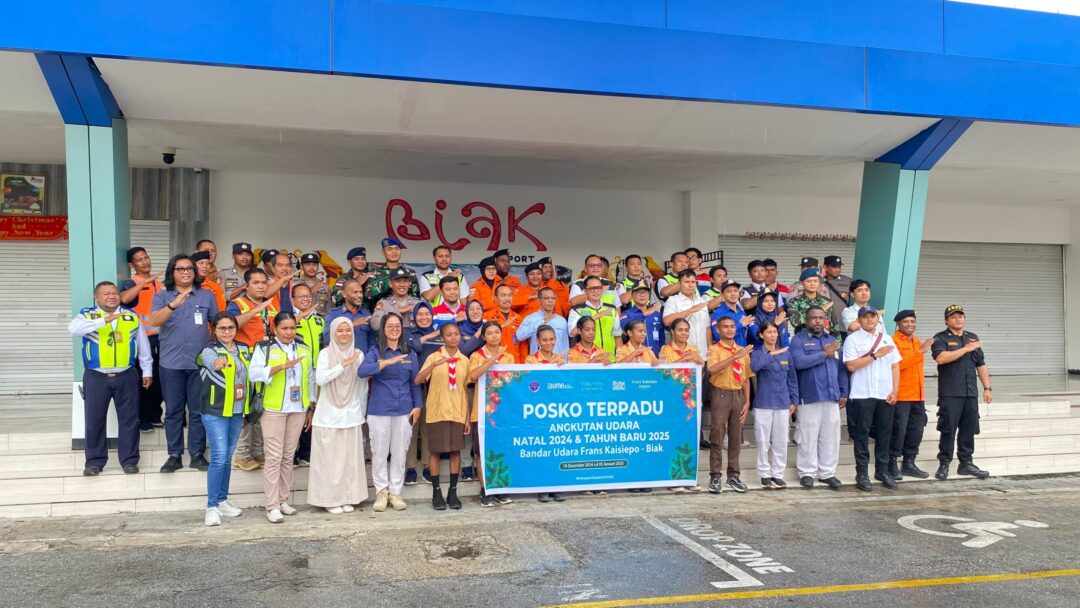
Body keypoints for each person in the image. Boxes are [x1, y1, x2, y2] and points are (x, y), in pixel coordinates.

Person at [68, 281, 153, 476]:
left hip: (127, 375)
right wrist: (103, 321)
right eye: (106, 294)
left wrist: (147, 371)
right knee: (94, 420)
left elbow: (143, 345)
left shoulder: (130, 316)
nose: (112, 296)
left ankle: (129, 461)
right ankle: (94, 462)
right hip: (96, 376)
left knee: (130, 420)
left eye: (114, 293)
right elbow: (73, 330)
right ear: (96, 297)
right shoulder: (87, 315)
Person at [150, 254, 219, 473]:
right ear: (173, 272)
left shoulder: (207, 296)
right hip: (171, 363)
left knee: (198, 411)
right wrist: (173, 304)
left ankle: (197, 454)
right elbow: (154, 321)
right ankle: (174, 455)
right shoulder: (162, 296)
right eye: (180, 269)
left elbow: (217, 326)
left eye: (189, 268)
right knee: (173, 411)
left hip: (199, 363)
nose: (186, 272)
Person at [248, 311, 315, 523]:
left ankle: (284, 500)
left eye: (292, 328)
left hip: (297, 407)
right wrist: (280, 367)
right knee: (274, 457)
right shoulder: (264, 348)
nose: (288, 332)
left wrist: (311, 406)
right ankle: (272, 505)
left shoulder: (303, 348)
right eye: (284, 328)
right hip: (274, 408)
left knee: (288, 456)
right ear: (275, 329)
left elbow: (310, 378)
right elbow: (253, 374)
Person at [359, 312, 422, 512]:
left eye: (397, 326)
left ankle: (395, 492)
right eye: (390, 326)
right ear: (383, 330)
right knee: (379, 452)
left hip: (404, 409)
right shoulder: (375, 350)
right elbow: (362, 371)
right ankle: (381, 492)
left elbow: (415, 382)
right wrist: (384, 363)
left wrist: (418, 405)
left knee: (399, 452)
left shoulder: (409, 352)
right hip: (379, 409)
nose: (394, 329)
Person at [308, 316, 369, 515]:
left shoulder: (359, 355)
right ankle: (329, 499)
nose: (344, 334)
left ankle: (348, 497)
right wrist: (343, 364)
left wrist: (361, 411)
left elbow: (362, 386)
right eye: (340, 331)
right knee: (329, 460)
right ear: (333, 333)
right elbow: (321, 378)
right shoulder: (326, 354)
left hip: (351, 413)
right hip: (328, 415)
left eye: (348, 330)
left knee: (349, 460)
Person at [196, 312, 250, 526]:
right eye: (222, 328)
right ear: (214, 330)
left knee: (227, 456)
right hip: (215, 411)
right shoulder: (209, 351)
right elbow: (214, 364)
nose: (227, 332)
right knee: (218, 457)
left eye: (231, 327)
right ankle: (211, 507)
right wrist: (221, 362)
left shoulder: (244, 349)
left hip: (237, 410)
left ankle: (223, 500)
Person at [843, 306, 902, 491]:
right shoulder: (852, 339)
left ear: (877, 319)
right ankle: (862, 473)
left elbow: (895, 366)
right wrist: (876, 355)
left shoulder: (886, 338)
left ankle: (882, 470)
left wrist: (895, 391)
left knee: (884, 434)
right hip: (862, 394)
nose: (869, 320)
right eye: (865, 317)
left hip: (884, 394)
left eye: (872, 317)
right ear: (859, 320)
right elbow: (851, 366)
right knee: (861, 435)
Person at [789, 306, 847, 489]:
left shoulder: (832, 340)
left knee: (830, 436)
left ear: (825, 320)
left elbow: (840, 369)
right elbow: (798, 362)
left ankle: (827, 472)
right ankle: (807, 472)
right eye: (813, 318)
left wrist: (844, 391)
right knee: (807, 436)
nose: (817, 321)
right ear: (807, 320)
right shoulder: (798, 340)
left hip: (831, 397)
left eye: (821, 318)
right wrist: (823, 354)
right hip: (809, 396)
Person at [415, 323, 472, 510]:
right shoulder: (434, 356)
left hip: (456, 411)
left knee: (456, 451)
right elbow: (418, 379)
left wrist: (466, 418)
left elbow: (464, 389)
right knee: (436, 451)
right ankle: (436, 491)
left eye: (456, 334)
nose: (453, 338)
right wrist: (433, 365)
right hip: (437, 411)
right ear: (442, 338)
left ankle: (453, 492)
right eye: (449, 335)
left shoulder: (464, 360)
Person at [932, 305, 992, 480]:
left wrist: (987, 388)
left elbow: (980, 364)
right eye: (953, 317)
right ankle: (944, 464)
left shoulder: (972, 338)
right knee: (948, 429)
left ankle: (966, 463)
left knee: (969, 428)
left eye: (960, 316)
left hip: (970, 392)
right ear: (946, 320)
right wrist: (966, 349)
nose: (958, 319)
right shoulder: (940, 338)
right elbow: (941, 358)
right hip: (950, 392)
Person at [225, 268, 275, 472]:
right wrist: (256, 310)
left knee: (259, 407)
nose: (262, 286)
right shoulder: (237, 304)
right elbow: (231, 325)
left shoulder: (272, 305)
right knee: (246, 409)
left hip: (266, 361)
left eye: (264, 282)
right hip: (244, 362)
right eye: (256, 282)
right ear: (247, 285)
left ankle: (257, 451)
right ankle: (242, 454)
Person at [468, 322, 516, 507]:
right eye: (490, 333)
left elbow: (511, 381)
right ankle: (485, 489)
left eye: (497, 332)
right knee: (482, 452)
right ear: (484, 337)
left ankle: (499, 487)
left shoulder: (509, 356)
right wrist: (493, 359)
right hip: (481, 411)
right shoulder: (476, 355)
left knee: (501, 449)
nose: (494, 336)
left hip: (501, 411)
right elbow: (473, 375)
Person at [705, 317, 753, 494]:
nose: (730, 330)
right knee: (717, 434)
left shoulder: (742, 350)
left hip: (738, 395)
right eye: (725, 327)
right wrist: (734, 357)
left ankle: (733, 475)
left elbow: (746, 377)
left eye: (733, 326)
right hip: (721, 393)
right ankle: (715, 476)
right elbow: (712, 369)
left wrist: (747, 401)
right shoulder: (714, 349)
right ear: (718, 330)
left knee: (736, 437)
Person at [119, 246, 164, 431]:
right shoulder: (131, 282)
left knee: (159, 380)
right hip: (142, 340)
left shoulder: (159, 284)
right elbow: (124, 299)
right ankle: (143, 418)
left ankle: (155, 415)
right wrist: (144, 282)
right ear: (132, 265)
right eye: (139, 260)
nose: (145, 262)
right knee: (145, 380)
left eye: (146, 258)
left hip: (161, 339)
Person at [750, 322, 798, 490]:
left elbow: (792, 379)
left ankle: (778, 474)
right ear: (762, 335)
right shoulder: (757, 353)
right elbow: (754, 366)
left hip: (783, 402)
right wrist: (771, 354)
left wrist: (794, 400)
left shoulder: (786, 353)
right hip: (764, 402)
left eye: (775, 332)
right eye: (769, 332)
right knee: (763, 440)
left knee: (781, 440)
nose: (773, 335)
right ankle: (764, 473)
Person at [892, 310, 932, 480]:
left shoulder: (917, 341)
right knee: (898, 431)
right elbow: (898, 365)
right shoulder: (893, 341)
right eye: (906, 322)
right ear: (898, 324)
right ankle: (891, 463)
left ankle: (909, 463)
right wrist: (920, 352)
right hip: (901, 395)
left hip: (918, 395)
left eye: (912, 321)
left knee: (916, 431)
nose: (910, 325)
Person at [293, 282, 326, 466]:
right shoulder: (289, 318)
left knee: (312, 410)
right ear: (293, 299)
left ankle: (306, 452)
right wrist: (300, 316)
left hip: (317, 371)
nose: (305, 299)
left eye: (308, 296)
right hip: (295, 371)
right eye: (301, 296)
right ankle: (292, 453)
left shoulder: (320, 319)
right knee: (297, 410)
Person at [569, 276, 622, 361]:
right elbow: (572, 333)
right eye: (592, 288)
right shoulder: (577, 310)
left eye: (599, 288)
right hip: (586, 362)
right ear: (585, 291)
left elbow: (617, 336)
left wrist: (619, 358)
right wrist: (596, 316)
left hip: (609, 360)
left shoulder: (611, 309)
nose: (596, 291)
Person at [662, 269, 711, 356]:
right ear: (679, 284)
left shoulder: (701, 301)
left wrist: (710, 348)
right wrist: (690, 310)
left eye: (693, 282)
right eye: (687, 282)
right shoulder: (673, 300)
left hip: (702, 353)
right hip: (681, 354)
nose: (690, 285)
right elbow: (666, 321)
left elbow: (707, 328)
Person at [364, 237, 419, 312]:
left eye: (397, 249)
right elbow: (369, 295)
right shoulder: (374, 272)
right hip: (382, 313)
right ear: (383, 252)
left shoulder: (410, 273)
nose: (394, 252)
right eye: (389, 249)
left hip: (406, 313)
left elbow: (415, 297)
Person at [516, 286, 570, 359]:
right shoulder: (530, 318)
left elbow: (565, 346)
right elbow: (519, 336)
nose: (550, 301)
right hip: (537, 364)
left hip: (557, 364)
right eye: (546, 298)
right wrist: (541, 322)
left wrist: (565, 362)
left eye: (553, 298)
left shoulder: (561, 320)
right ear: (539, 300)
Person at [324, 278, 373, 352]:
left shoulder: (366, 314)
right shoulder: (334, 314)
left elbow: (372, 343)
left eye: (361, 292)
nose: (359, 295)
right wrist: (351, 325)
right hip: (341, 362)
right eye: (355, 292)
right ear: (344, 294)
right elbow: (326, 339)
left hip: (362, 361)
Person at [371, 267, 424, 332]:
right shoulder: (383, 303)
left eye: (405, 281)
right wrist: (397, 311)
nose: (402, 285)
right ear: (390, 284)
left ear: (409, 284)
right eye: (398, 281)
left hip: (413, 340)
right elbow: (375, 326)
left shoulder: (417, 303)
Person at [786, 268, 835, 338]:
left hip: (823, 340)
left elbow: (834, 324)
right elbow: (795, 322)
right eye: (809, 281)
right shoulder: (795, 301)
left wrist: (837, 343)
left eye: (815, 281)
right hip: (802, 340)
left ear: (819, 283)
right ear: (801, 283)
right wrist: (820, 310)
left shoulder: (827, 301)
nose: (812, 284)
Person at [619, 281, 664, 357]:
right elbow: (626, 325)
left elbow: (661, 337)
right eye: (638, 292)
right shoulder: (626, 314)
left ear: (649, 296)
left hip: (655, 357)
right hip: (635, 357)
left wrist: (662, 352)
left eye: (645, 292)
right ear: (632, 296)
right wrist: (644, 314)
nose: (642, 295)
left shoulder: (657, 314)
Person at [486, 284, 525, 362]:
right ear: (495, 298)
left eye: (510, 295)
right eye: (503, 295)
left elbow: (523, 346)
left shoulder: (519, 319)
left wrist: (524, 365)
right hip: (494, 363)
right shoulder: (487, 317)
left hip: (515, 363)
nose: (507, 299)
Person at [710, 279, 752, 346]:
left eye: (735, 291)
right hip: (727, 353)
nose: (733, 294)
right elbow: (718, 336)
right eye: (729, 291)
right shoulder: (718, 313)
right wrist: (740, 324)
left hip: (743, 352)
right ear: (722, 294)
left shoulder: (741, 312)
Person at [821, 255, 851, 336]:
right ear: (825, 267)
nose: (838, 269)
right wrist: (821, 276)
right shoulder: (818, 281)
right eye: (834, 267)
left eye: (839, 266)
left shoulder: (847, 281)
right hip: (823, 325)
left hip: (842, 325)